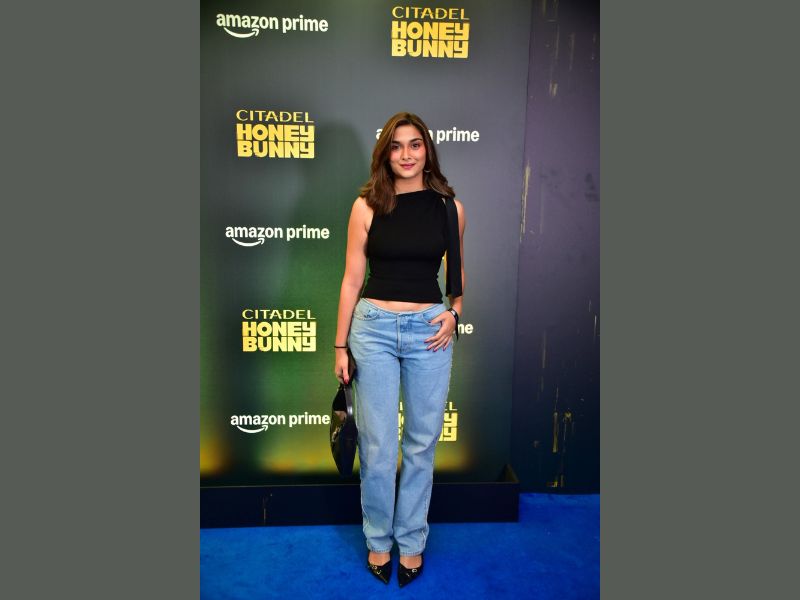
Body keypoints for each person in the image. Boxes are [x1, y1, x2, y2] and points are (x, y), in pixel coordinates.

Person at [333, 112, 466, 587]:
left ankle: (411, 542)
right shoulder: (366, 206)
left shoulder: (450, 208)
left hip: (429, 330)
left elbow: (457, 276)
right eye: (396, 146)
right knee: (377, 445)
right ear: (385, 153)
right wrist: (340, 345)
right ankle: (378, 538)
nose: (406, 155)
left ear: (427, 150)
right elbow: (352, 280)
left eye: (415, 145)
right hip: (372, 331)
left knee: (421, 443)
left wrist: (455, 313)